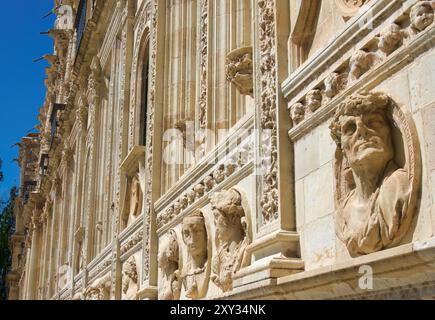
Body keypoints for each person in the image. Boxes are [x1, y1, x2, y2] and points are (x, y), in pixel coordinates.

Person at [330, 92, 412, 256]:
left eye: (373, 122)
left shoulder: (398, 186)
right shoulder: (343, 212)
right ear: (343, 150)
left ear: (389, 133)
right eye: (350, 128)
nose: (361, 131)